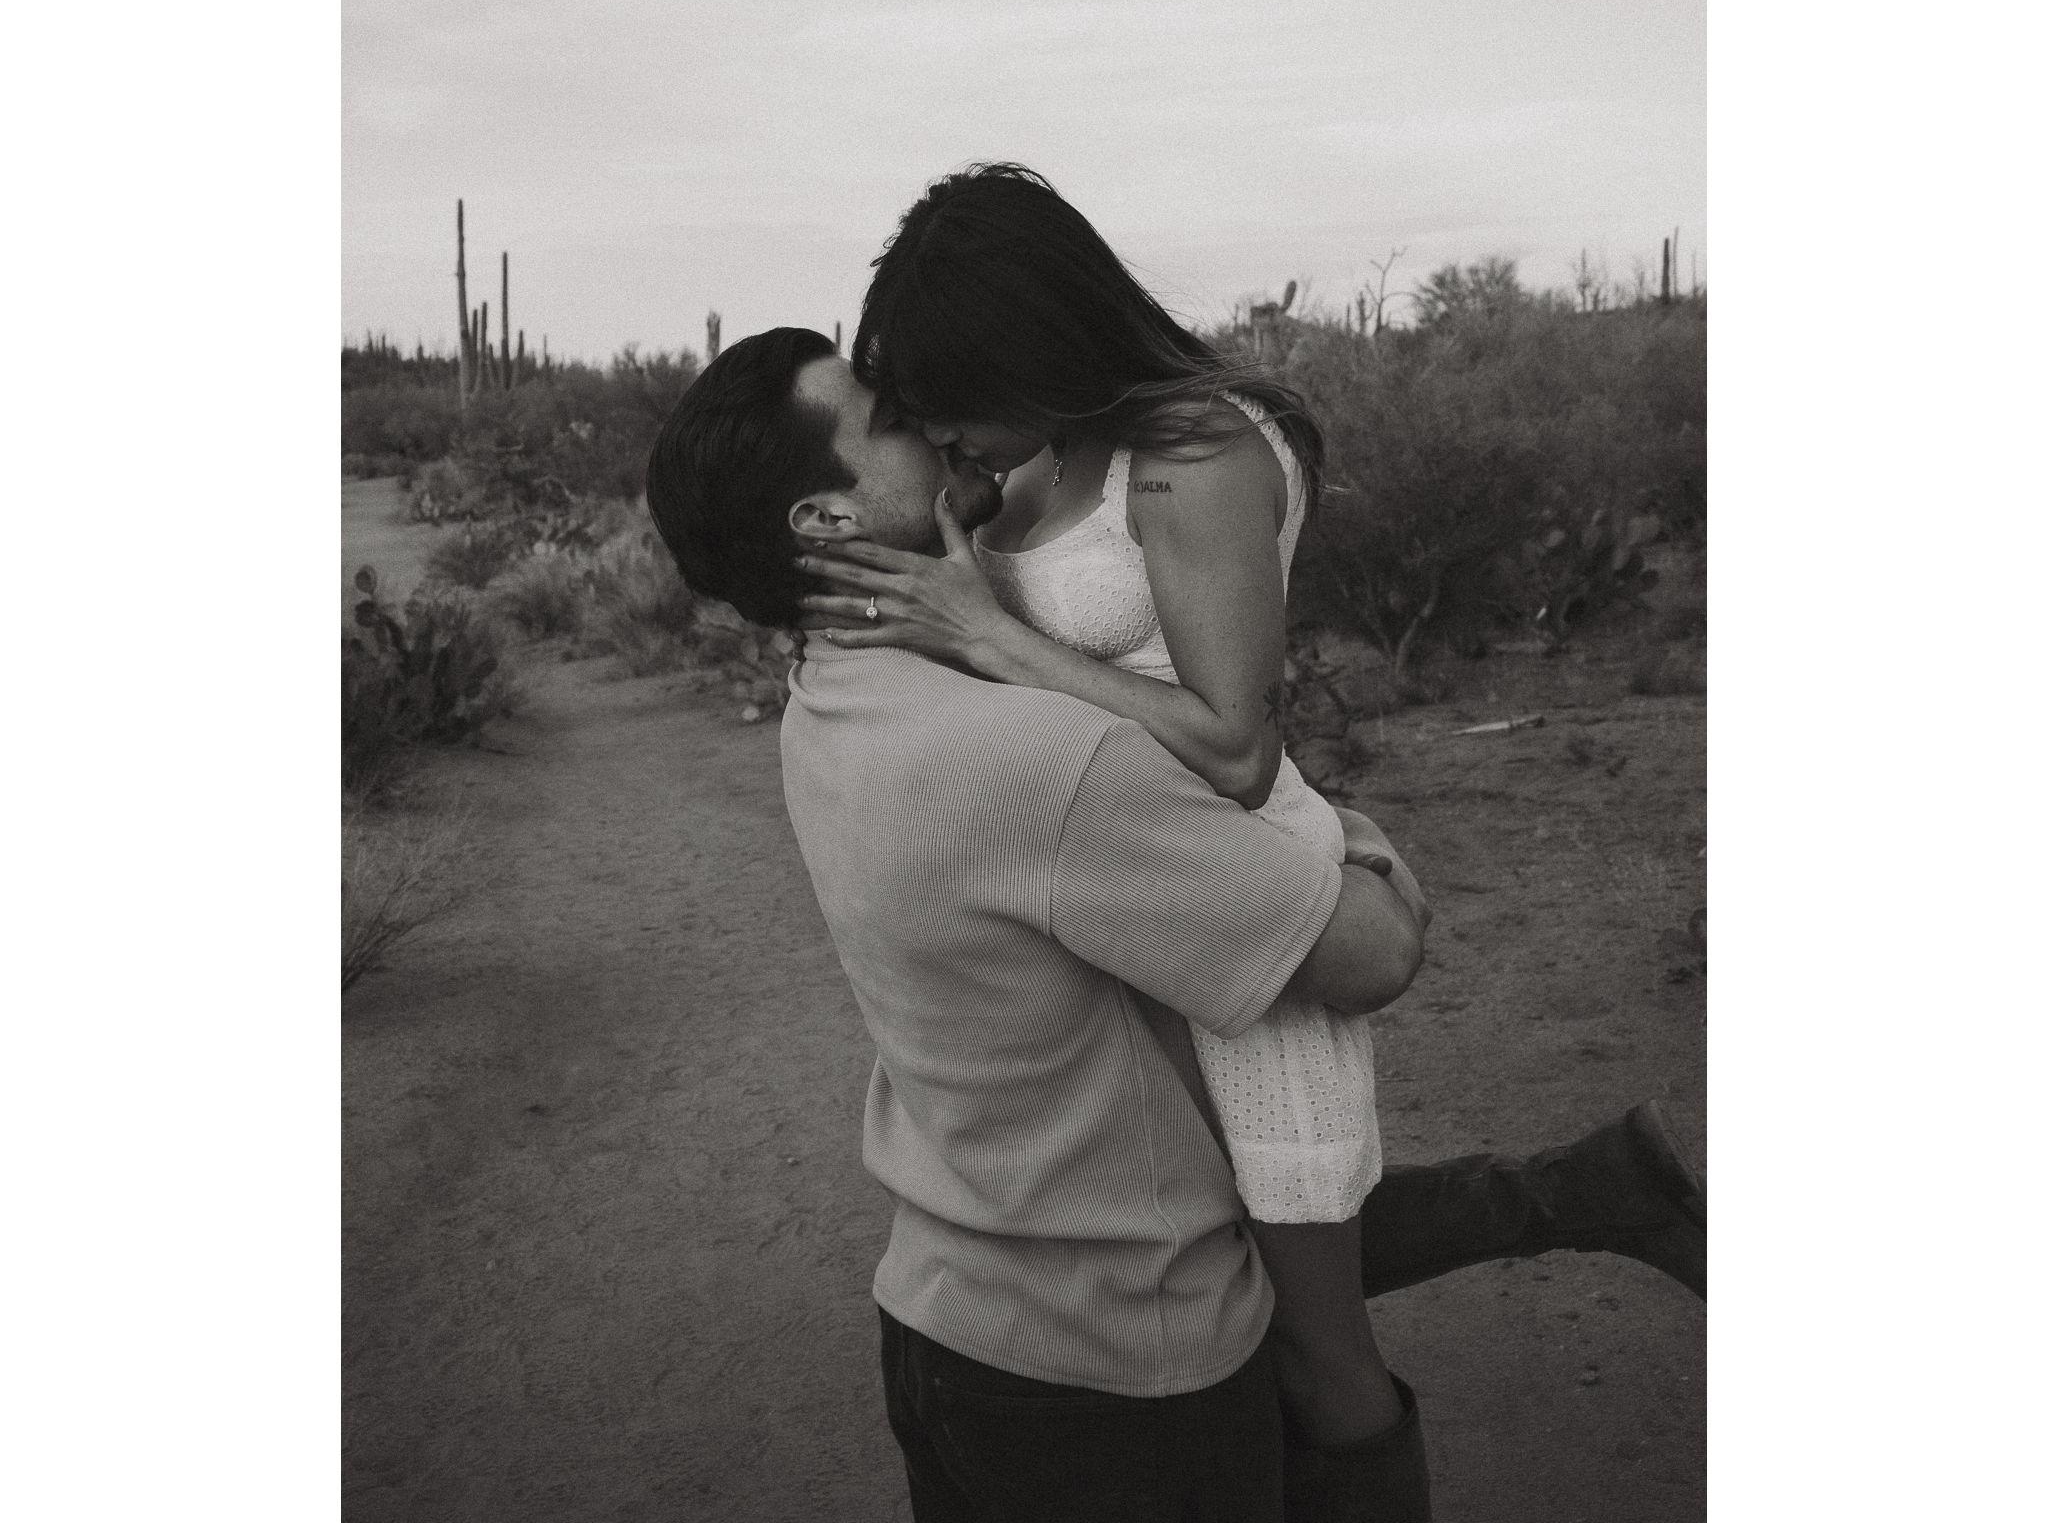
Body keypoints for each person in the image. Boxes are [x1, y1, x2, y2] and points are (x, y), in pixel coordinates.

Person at [645, 328, 1705, 1523]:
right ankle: (1585, 1192)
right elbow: (1371, 951)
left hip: (942, 1324)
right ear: (826, 520)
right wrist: (1353, 840)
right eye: (887, 419)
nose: (927, 413)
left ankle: (1588, 1188)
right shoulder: (1034, 759)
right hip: (1116, 1384)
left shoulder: (825, 703)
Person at [792, 165, 1395, 1453]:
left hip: (1236, 900)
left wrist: (990, 638)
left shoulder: (1193, 456)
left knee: (1321, 1357)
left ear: (1033, 351)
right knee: (1226, 1298)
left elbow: (1234, 748)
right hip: (1119, 916)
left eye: (954, 402)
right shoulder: (1037, 460)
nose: (940, 432)